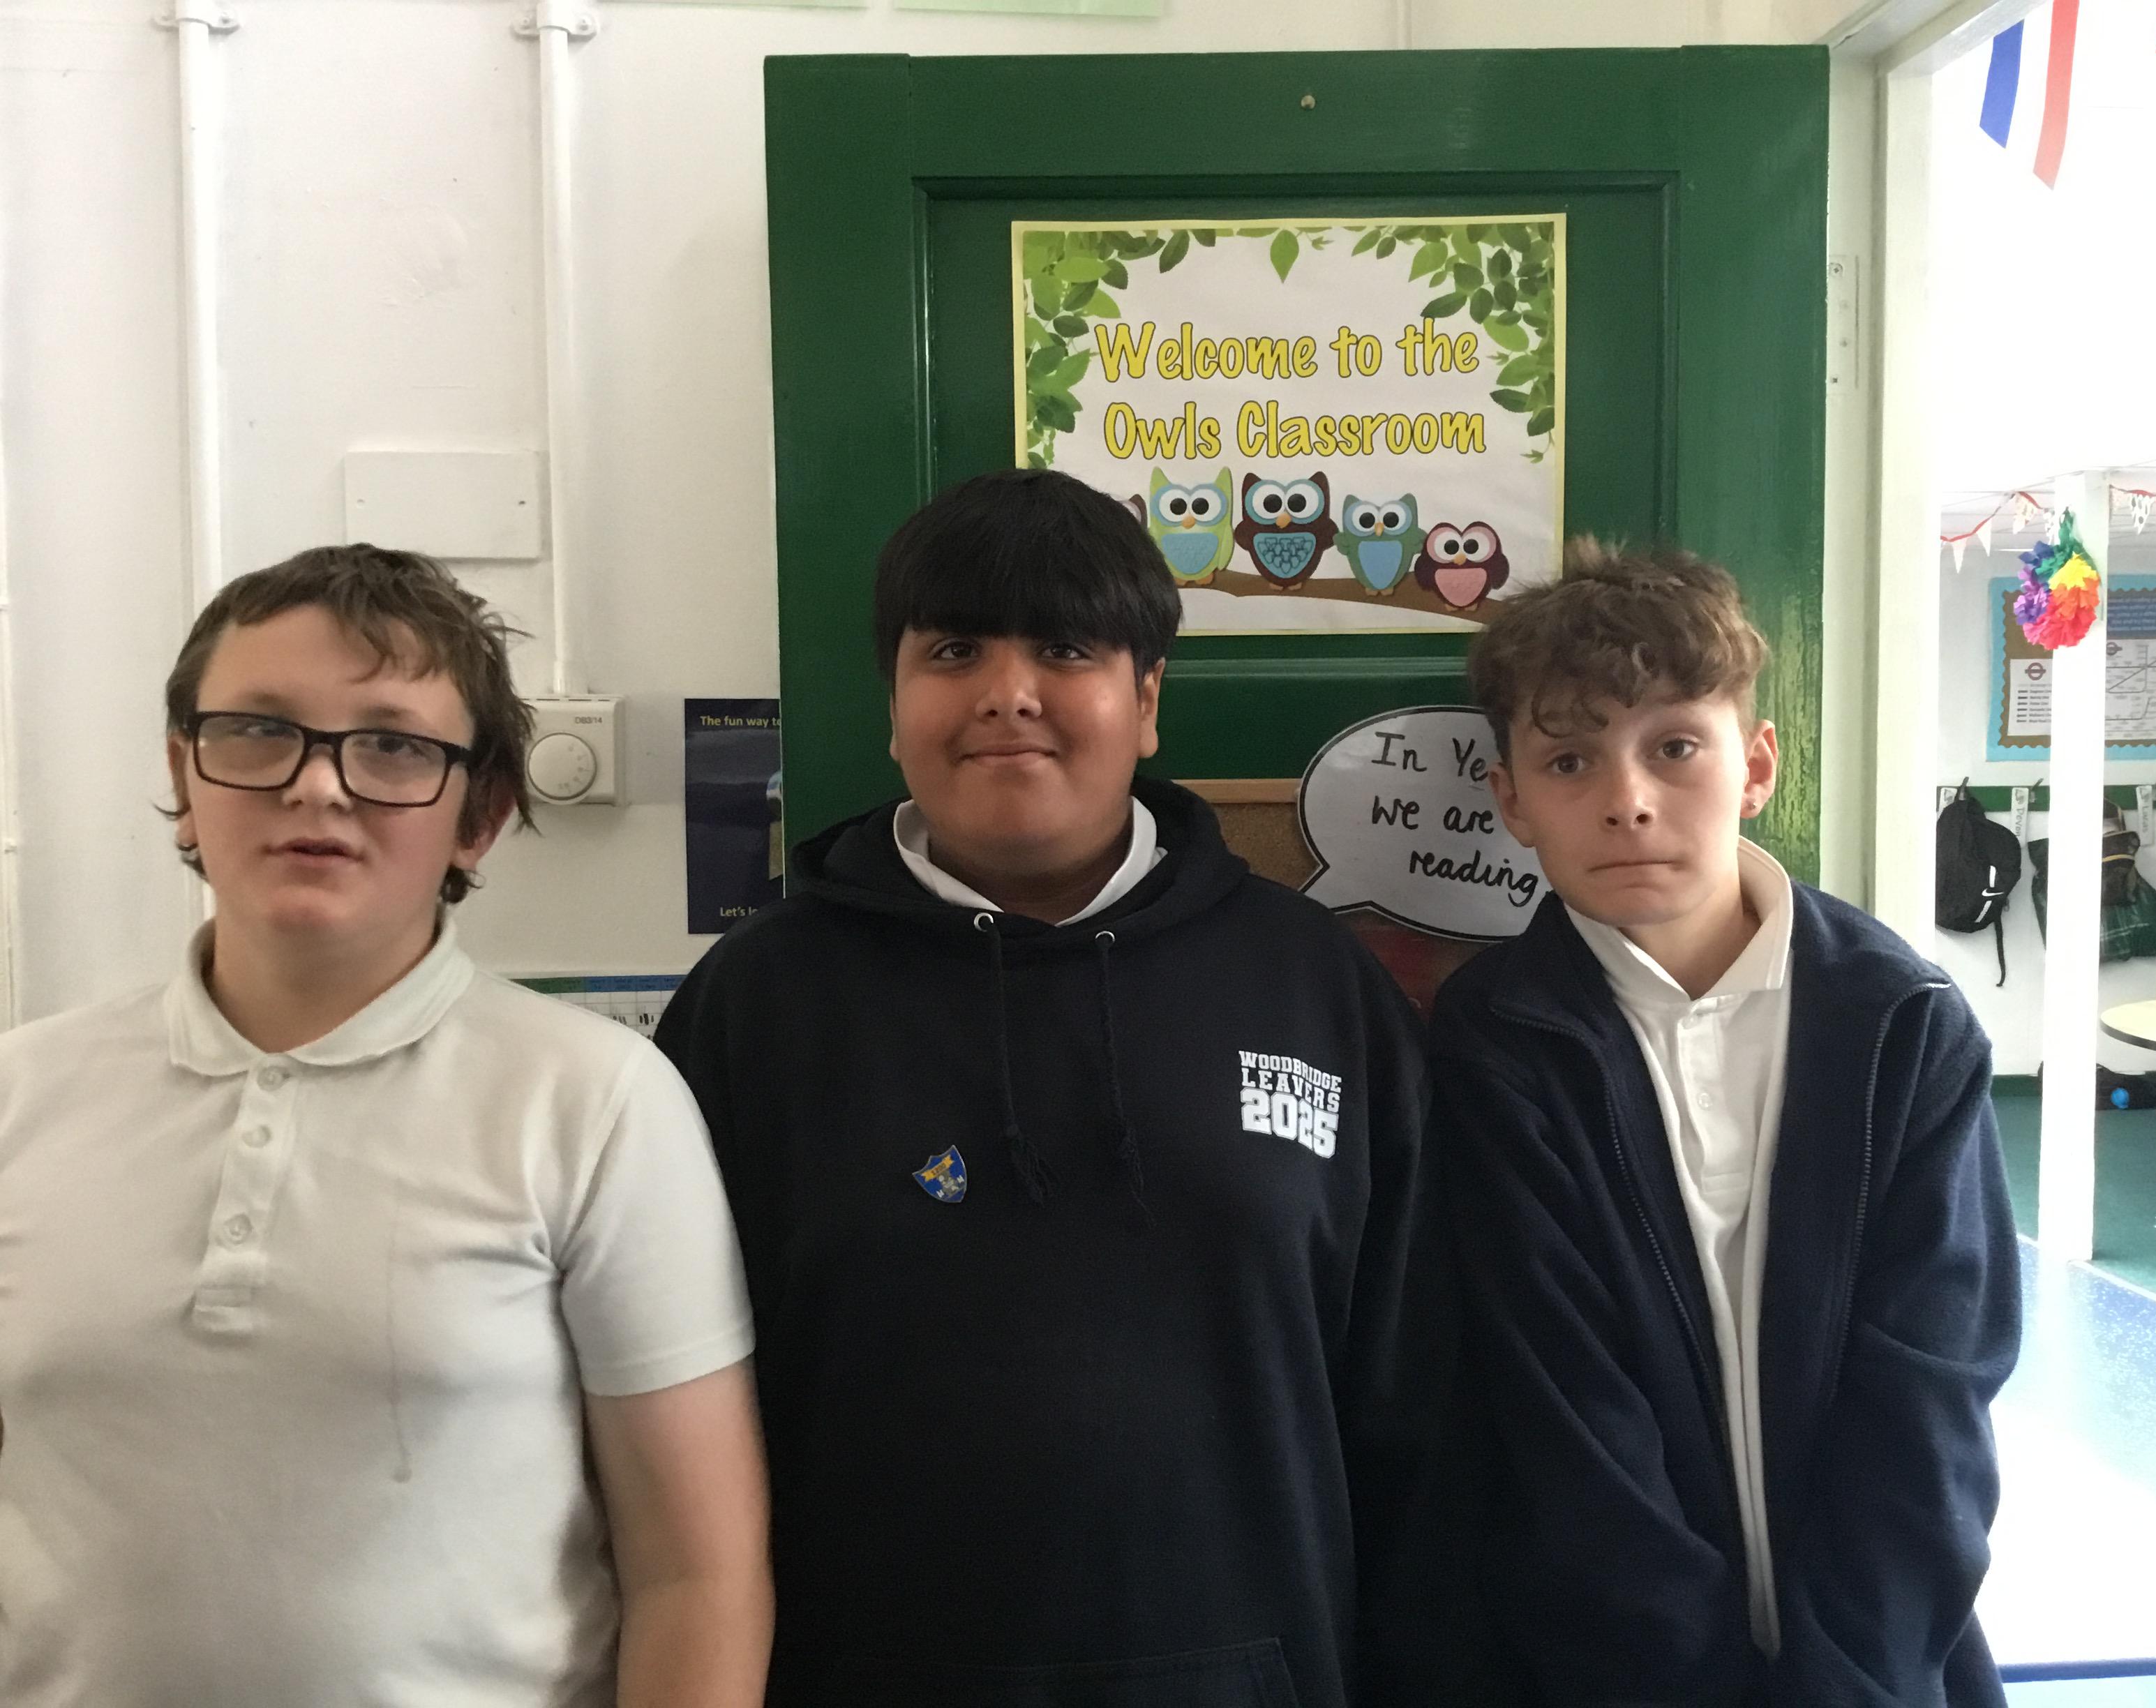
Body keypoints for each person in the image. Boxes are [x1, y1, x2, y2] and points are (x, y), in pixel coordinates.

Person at [654, 467, 1439, 1708]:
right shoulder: (754, 1007)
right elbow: (672, 1435)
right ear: (894, 705)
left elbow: (1416, 1405)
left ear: (1148, 698)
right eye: (954, 649)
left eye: (1065, 648)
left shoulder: (1317, 988)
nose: (1006, 693)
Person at [0, 545, 770, 1708]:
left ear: (481, 815)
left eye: (394, 747)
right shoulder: (23, 1096)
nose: (318, 787)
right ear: (184, 776)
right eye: (257, 732)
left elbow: (695, 1575)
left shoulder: (596, 1103)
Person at [1430, 539, 2020, 1705]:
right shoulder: (1495, 1043)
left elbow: (1932, 1397)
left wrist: (1852, 1679)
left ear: (1755, 767)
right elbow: (1565, 1422)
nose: (1628, 799)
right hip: (1614, 1675)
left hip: (1885, 1667)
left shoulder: (1902, 1026)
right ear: (1512, 802)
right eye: (1569, 760)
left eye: (1675, 747)